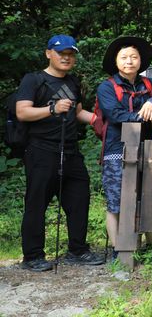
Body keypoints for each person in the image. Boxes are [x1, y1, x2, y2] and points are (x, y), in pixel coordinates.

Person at [15, 35, 104, 271]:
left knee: (79, 198)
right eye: (61, 53)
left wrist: (99, 122)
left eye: (70, 54)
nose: (66, 57)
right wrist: (52, 108)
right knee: (36, 203)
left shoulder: (73, 82)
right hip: (41, 150)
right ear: (48, 54)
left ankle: (77, 250)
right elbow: (22, 112)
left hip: (71, 150)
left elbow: (77, 112)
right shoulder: (33, 80)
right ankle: (32, 256)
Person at [96, 36, 152, 257]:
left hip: (149, 149)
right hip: (116, 149)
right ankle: (119, 249)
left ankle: (151, 249)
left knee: (147, 197)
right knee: (117, 201)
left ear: (141, 61)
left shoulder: (150, 85)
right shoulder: (107, 87)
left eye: (134, 57)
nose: (129, 61)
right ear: (116, 61)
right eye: (124, 57)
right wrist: (146, 117)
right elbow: (115, 114)